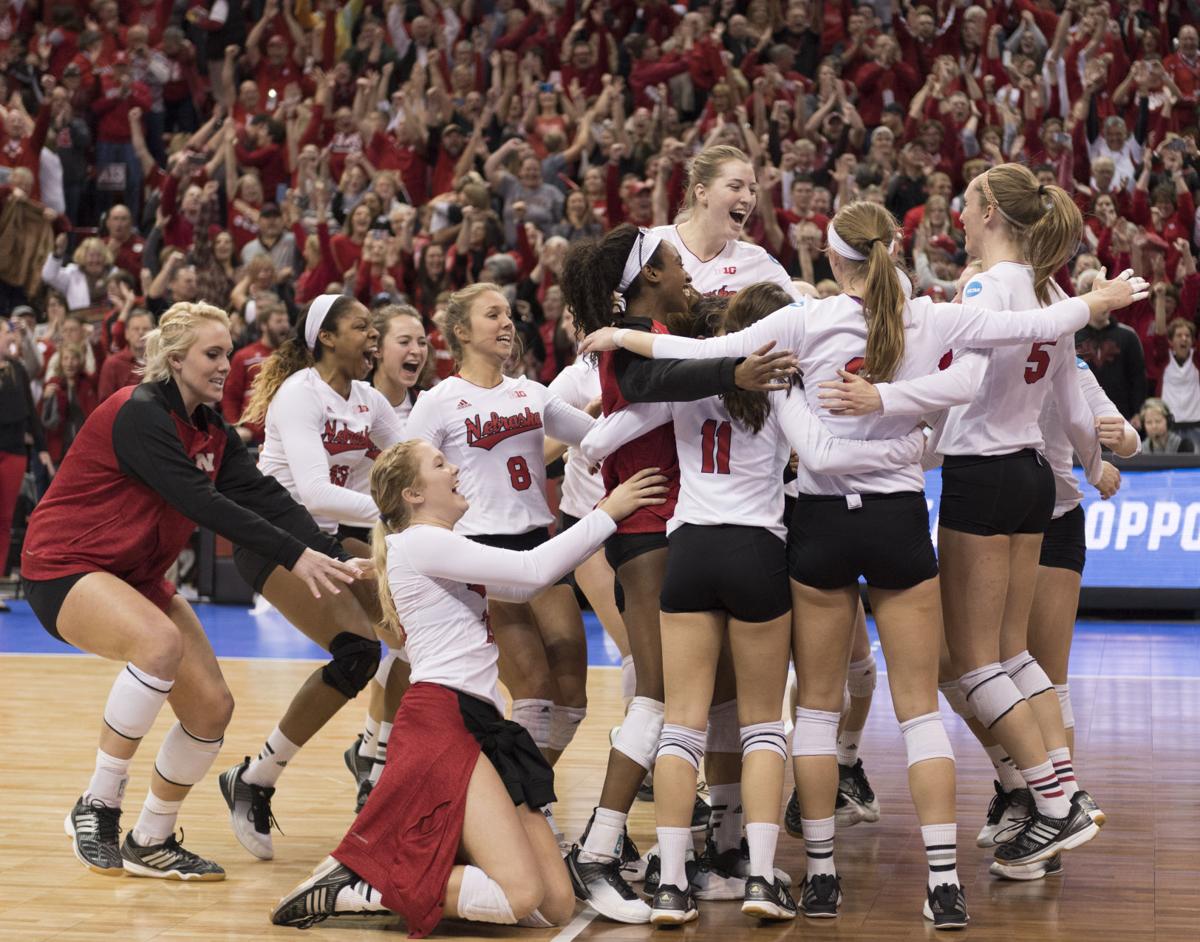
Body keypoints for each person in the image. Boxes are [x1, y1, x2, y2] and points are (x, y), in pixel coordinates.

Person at [578, 200, 1146, 927]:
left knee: (803, 711)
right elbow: (1021, 336)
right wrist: (1094, 301)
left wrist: (618, 332)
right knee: (920, 709)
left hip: (790, 531)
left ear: (832, 257)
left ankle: (806, 874)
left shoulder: (795, 329)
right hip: (897, 522)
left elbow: (690, 365)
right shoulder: (929, 315)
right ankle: (945, 882)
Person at [577, 281, 927, 925]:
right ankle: (763, 878)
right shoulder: (786, 386)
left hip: (689, 552)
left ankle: (673, 884)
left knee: (681, 724)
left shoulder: (684, 383)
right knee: (764, 724)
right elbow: (822, 456)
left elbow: (596, 443)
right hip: (758, 553)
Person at [19, 302, 362, 881]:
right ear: (175, 360)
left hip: (134, 576)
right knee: (157, 644)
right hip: (64, 566)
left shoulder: (210, 427)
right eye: (212, 353)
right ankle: (97, 804)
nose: (226, 363)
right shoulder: (140, 414)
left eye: (228, 352)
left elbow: (261, 495)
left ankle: (152, 836)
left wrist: (329, 554)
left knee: (211, 708)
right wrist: (292, 555)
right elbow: (200, 503)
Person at [270, 442, 667, 933]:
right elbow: (532, 569)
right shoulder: (421, 541)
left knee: (554, 907)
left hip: (478, 720)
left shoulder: (426, 548)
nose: (455, 467)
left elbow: (523, 586)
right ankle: (364, 885)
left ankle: (408, 874)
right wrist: (607, 513)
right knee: (520, 895)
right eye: (440, 464)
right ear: (413, 493)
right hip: (441, 719)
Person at [559, 224, 796, 924]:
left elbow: (637, 405)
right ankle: (600, 846)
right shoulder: (640, 342)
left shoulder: (662, 332)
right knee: (662, 699)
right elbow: (632, 403)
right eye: (672, 261)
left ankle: (714, 846)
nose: (686, 268)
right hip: (649, 530)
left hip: (678, 532)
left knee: (712, 699)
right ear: (647, 277)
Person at [218, 294, 405, 861]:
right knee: (357, 653)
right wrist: (403, 511)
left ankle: (373, 756)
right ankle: (254, 777)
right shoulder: (300, 394)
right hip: (273, 536)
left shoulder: (370, 399)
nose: (372, 338)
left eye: (375, 329)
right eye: (360, 328)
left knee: (415, 628)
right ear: (325, 337)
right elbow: (317, 493)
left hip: (330, 535)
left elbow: (407, 462)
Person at [405, 284, 597, 791]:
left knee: (573, 698)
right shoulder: (437, 402)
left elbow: (595, 439)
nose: (507, 323)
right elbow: (404, 480)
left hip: (540, 545)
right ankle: (520, 804)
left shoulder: (533, 393)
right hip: (481, 553)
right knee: (532, 689)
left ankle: (515, 790)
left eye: (509, 314)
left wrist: (627, 402)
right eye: (493, 315)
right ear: (462, 332)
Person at [345, 304, 431, 812]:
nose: (416, 350)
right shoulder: (358, 406)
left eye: (422, 340)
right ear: (377, 348)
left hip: (406, 538)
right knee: (401, 645)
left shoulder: (423, 409)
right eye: (405, 340)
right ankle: (374, 761)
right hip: (357, 533)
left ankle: (370, 749)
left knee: (403, 649)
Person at [650, 145, 803, 300]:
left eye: (752, 190)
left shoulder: (755, 260)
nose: (748, 199)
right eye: (735, 187)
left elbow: (803, 313)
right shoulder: (653, 243)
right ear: (702, 193)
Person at [0, 318, 51, 590]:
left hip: (14, 451)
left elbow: (31, 412)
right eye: (7, 333)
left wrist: (42, 448)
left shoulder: (18, 368)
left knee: (5, 519)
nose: (12, 337)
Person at [220, 298, 291, 444]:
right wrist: (235, 428)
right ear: (264, 325)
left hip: (286, 435)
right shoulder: (244, 356)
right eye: (278, 321)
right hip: (253, 437)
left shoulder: (293, 357)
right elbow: (231, 396)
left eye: (285, 321)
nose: (284, 325)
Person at [98, 308, 154, 401]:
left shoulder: (161, 361)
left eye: (146, 329)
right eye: (135, 329)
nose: (141, 333)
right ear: (126, 333)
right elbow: (105, 403)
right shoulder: (112, 364)